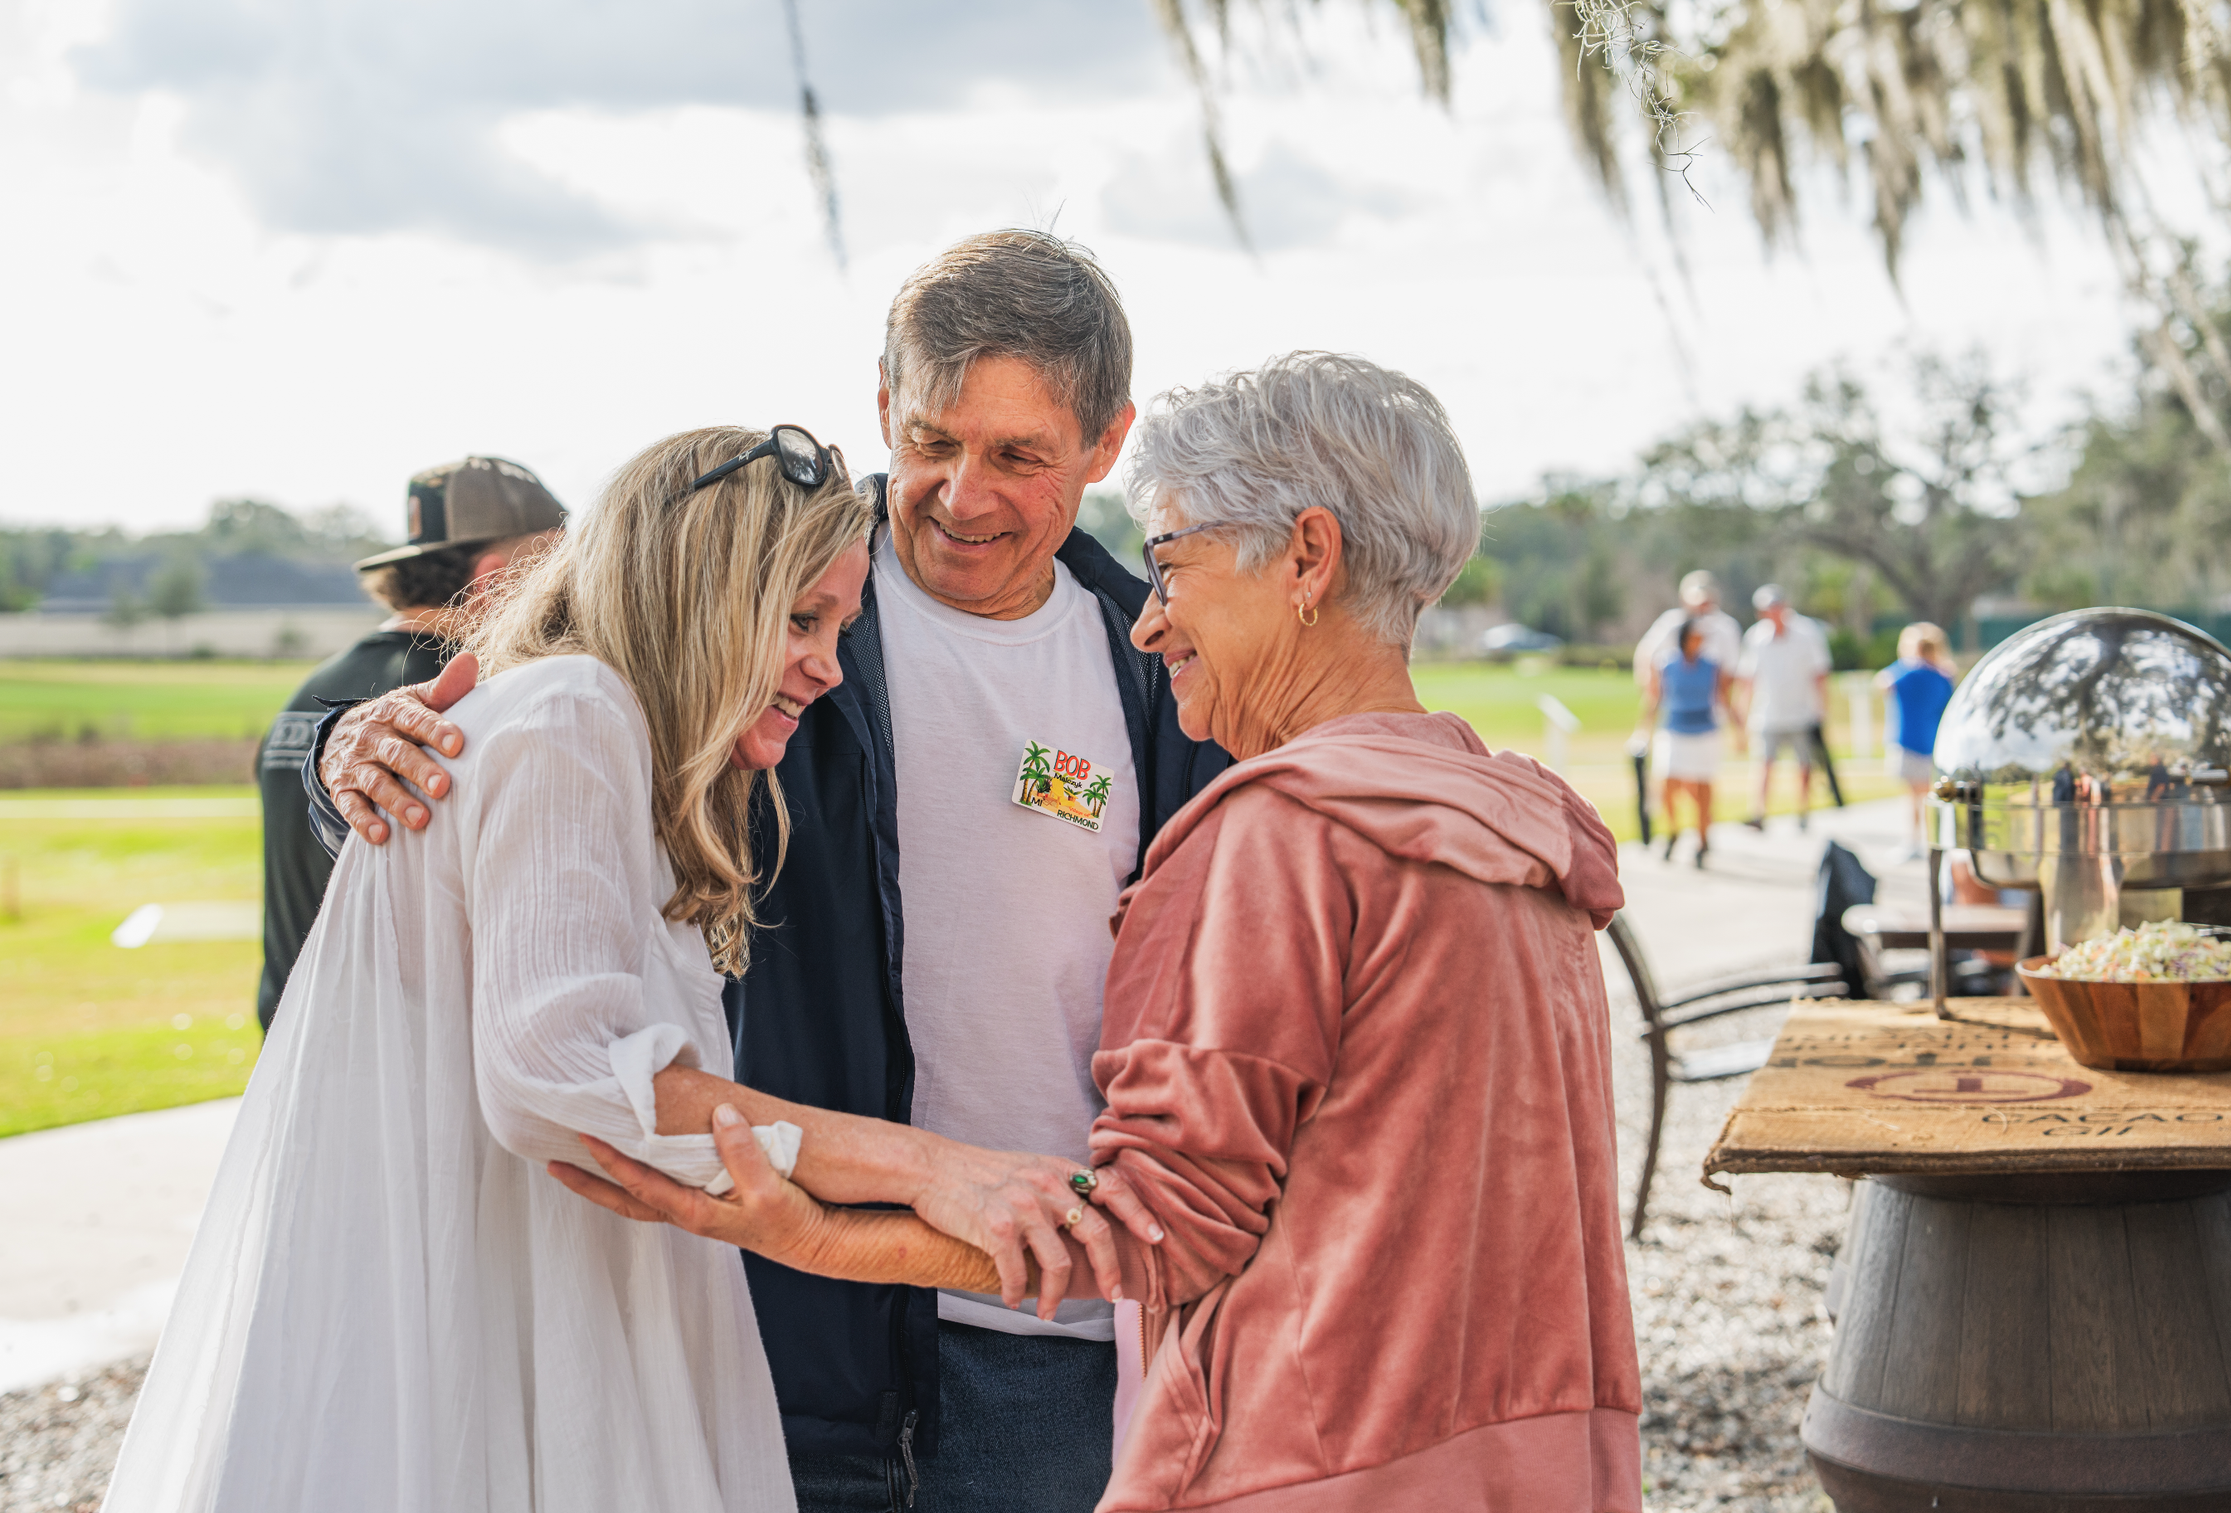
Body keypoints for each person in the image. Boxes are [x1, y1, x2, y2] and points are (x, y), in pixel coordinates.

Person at [561, 354, 1643, 1512]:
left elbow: (1158, 1227)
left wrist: (819, 1233)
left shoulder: (1278, 835)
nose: (1149, 621)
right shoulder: (1520, 831)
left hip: (1310, 1461)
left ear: (1308, 559)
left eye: (1172, 568)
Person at [303, 229, 1230, 1512]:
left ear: (1107, 443)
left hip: (1048, 1341)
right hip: (773, 1312)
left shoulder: (1164, 675)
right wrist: (343, 744)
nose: (962, 496)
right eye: (930, 441)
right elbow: (529, 751)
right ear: (883, 412)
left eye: (1019, 456)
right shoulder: (771, 601)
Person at [106, 426, 1163, 1513]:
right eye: (799, 618)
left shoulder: (610, 736)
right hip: (513, 1336)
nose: (828, 665)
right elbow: (563, 1074)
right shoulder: (572, 713)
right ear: (697, 590)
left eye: (840, 625)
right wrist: (937, 1169)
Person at [253, 456, 564, 1031]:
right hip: (400, 1063)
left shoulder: (308, 695)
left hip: (291, 1040)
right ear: (497, 582)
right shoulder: (461, 702)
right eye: (555, 569)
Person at [1640, 614, 1738, 866]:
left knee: (1703, 789)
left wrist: (1739, 728)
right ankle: (1673, 832)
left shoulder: (1711, 666)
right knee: (1668, 785)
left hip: (1704, 731)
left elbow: (1724, 697)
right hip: (1674, 729)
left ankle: (1703, 840)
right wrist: (1643, 730)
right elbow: (1654, 698)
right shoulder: (1667, 665)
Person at [1737, 583, 1832, 831]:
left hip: (1801, 711)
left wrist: (1822, 709)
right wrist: (1742, 715)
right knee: (1764, 764)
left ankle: (1802, 810)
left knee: (1804, 765)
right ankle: (1759, 812)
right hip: (1767, 712)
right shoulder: (1756, 637)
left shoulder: (1806, 632)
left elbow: (1819, 673)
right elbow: (1748, 679)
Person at [1878, 621, 1956, 855]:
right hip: (1932, 742)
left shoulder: (1906, 673)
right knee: (1930, 796)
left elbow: (1883, 683)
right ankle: (1933, 840)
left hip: (1908, 740)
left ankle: (1913, 841)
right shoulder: (1943, 676)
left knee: (1914, 798)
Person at [1630, 569, 1742, 684]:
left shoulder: (1726, 627)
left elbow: (1732, 669)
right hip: (1676, 696)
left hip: (1711, 698)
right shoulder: (1671, 621)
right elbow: (1647, 655)